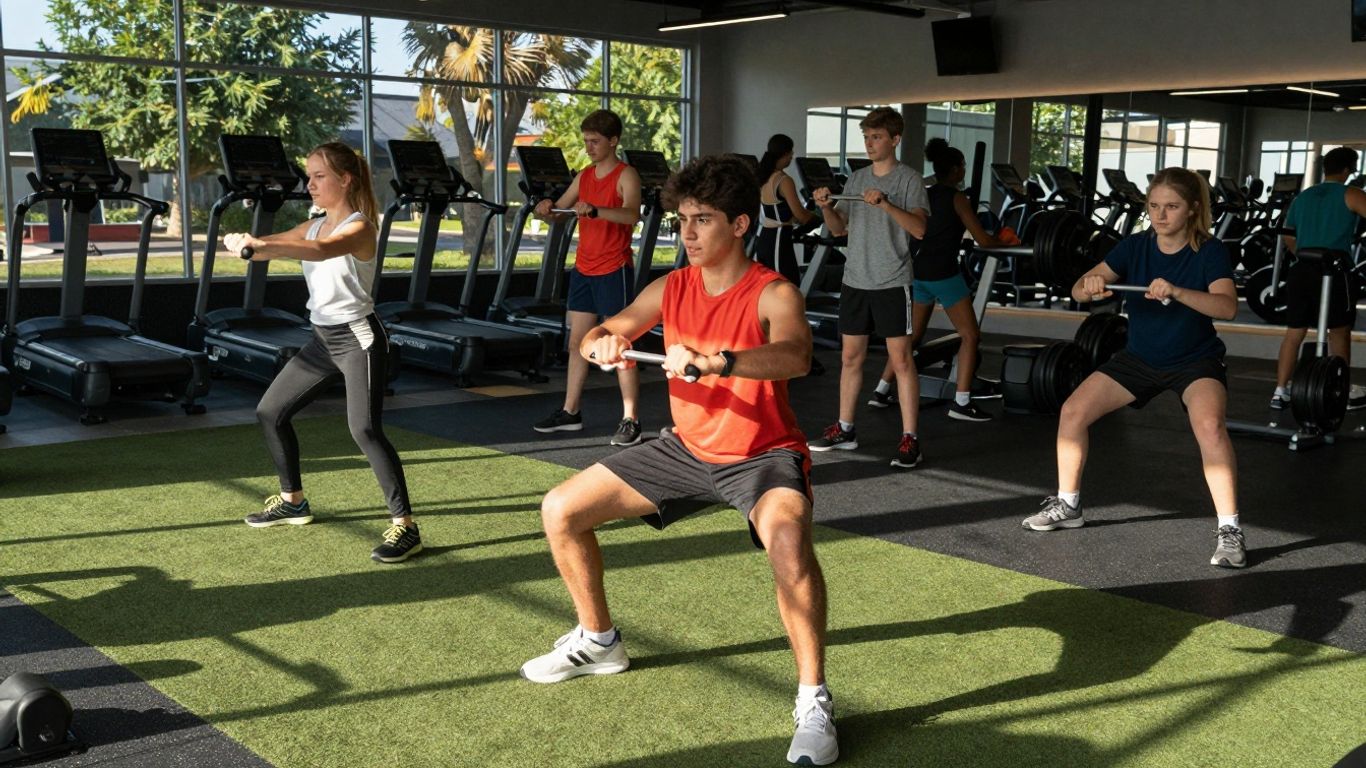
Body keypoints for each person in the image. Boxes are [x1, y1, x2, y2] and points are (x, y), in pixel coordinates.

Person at [520, 155, 838, 766]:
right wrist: (605, 341)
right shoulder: (672, 287)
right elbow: (604, 330)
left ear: (741, 224)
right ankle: (599, 640)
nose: (687, 234)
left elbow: (795, 355)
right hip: (686, 448)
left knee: (790, 543)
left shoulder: (773, 292)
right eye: (681, 221)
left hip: (761, 454)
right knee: (561, 509)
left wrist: (721, 361)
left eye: (703, 221)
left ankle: (813, 698)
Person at [1021, 168, 1247, 569]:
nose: (1160, 215)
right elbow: (1079, 288)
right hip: (1139, 358)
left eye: (1171, 207)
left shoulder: (1210, 251)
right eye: (1154, 206)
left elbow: (1226, 306)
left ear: (1193, 209)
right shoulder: (1135, 245)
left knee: (1210, 427)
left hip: (1194, 360)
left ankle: (1229, 531)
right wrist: (1089, 285)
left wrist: (1176, 292)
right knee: (1073, 411)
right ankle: (1068, 505)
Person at [223, 141, 421, 564]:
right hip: (321, 340)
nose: (309, 184)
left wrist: (259, 247)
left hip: (359, 339)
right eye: (309, 176)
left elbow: (319, 250)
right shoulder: (312, 223)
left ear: (344, 179)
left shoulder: (360, 226)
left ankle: (405, 527)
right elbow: (280, 240)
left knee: (364, 431)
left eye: (318, 176)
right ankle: (293, 500)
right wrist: (249, 241)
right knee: (270, 412)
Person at [806, 106, 930, 469]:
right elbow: (839, 228)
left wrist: (887, 203)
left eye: (876, 137)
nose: (870, 143)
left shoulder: (909, 180)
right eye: (866, 137)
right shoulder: (857, 179)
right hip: (855, 280)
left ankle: (911, 439)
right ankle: (845, 428)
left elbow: (919, 229)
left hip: (892, 281)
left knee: (901, 360)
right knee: (849, 358)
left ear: (894, 139)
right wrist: (827, 207)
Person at [865, 138, 1018, 422]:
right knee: (971, 336)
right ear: (957, 170)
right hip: (944, 275)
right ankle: (961, 403)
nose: (963, 170)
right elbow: (983, 239)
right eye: (962, 166)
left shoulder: (924, 193)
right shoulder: (957, 198)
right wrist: (1006, 241)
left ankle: (881, 390)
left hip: (918, 272)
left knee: (912, 337)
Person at [531, 109, 645, 447]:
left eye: (594, 142)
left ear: (613, 141)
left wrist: (595, 210)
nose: (589, 148)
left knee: (620, 345)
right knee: (577, 344)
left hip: (614, 270)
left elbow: (632, 215)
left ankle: (630, 419)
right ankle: (571, 411)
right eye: (585, 142)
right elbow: (560, 216)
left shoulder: (627, 175)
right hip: (584, 269)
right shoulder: (584, 176)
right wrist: (547, 208)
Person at [1270, 146, 1366, 411]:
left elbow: (1289, 237)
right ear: (1348, 170)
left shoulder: (1303, 198)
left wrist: (1306, 254)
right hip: (1334, 270)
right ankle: (1340, 389)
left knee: (1294, 332)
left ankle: (1280, 392)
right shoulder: (1352, 193)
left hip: (1303, 269)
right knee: (1339, 332)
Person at [755, 133, 818, 285]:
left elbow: (783, 212)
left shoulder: (764, 176)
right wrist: (818, 217)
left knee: (771, 288)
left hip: (765, 237)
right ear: (785, 153)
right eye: (791, 152)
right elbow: (801, 216)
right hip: (778, 239)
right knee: (785, 287)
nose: (791, 156)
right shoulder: (784, 180)